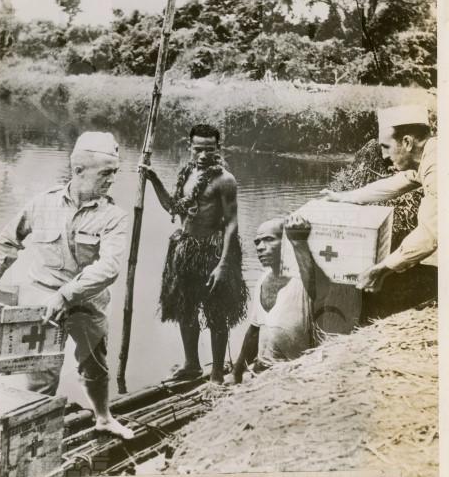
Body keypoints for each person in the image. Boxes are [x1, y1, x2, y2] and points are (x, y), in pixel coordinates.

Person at [0, 132, 134, 439]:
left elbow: (109, 267)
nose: (112, 180)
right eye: (105, 173)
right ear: (79, 170)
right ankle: (35, 436)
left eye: (115, 172)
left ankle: (103, 418)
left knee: (95, 368)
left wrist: (66, 296)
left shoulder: (113, 217)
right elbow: (7, 241)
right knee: (40, 375)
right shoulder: (43, 203)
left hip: (87, 303)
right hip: (41, 304)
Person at [141, 123, 248, 388]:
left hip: (213, 251)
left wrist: (223, 264)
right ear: (189, 146)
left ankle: (217, 374)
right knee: (185, 308)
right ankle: (191, 365)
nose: (203, 155)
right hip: (186, 250)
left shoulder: (225, 180)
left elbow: (232, 223)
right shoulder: (187, 173)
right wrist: (153, 179)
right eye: (198, 149)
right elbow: (173, 207)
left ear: (218, 148)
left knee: (216, 312)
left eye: (209, 149)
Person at [321, 104, 437, 293]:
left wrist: (381, 268)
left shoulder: (437, 167)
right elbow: (396, 183)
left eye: (386, 147)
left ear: (407, 142)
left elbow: (429, 235)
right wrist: (344, 197)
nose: (383, 155)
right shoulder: (429, 157)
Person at [232, 215, 329, 383]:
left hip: (294, 371)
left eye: (269, 240)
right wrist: (237, 372)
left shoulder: (303, 279)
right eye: (257, 242)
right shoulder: (263, 279)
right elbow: (255, 330)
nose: (260, 247)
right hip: (262, 370)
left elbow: (319, 289)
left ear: (286, 241)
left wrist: (299, 242)